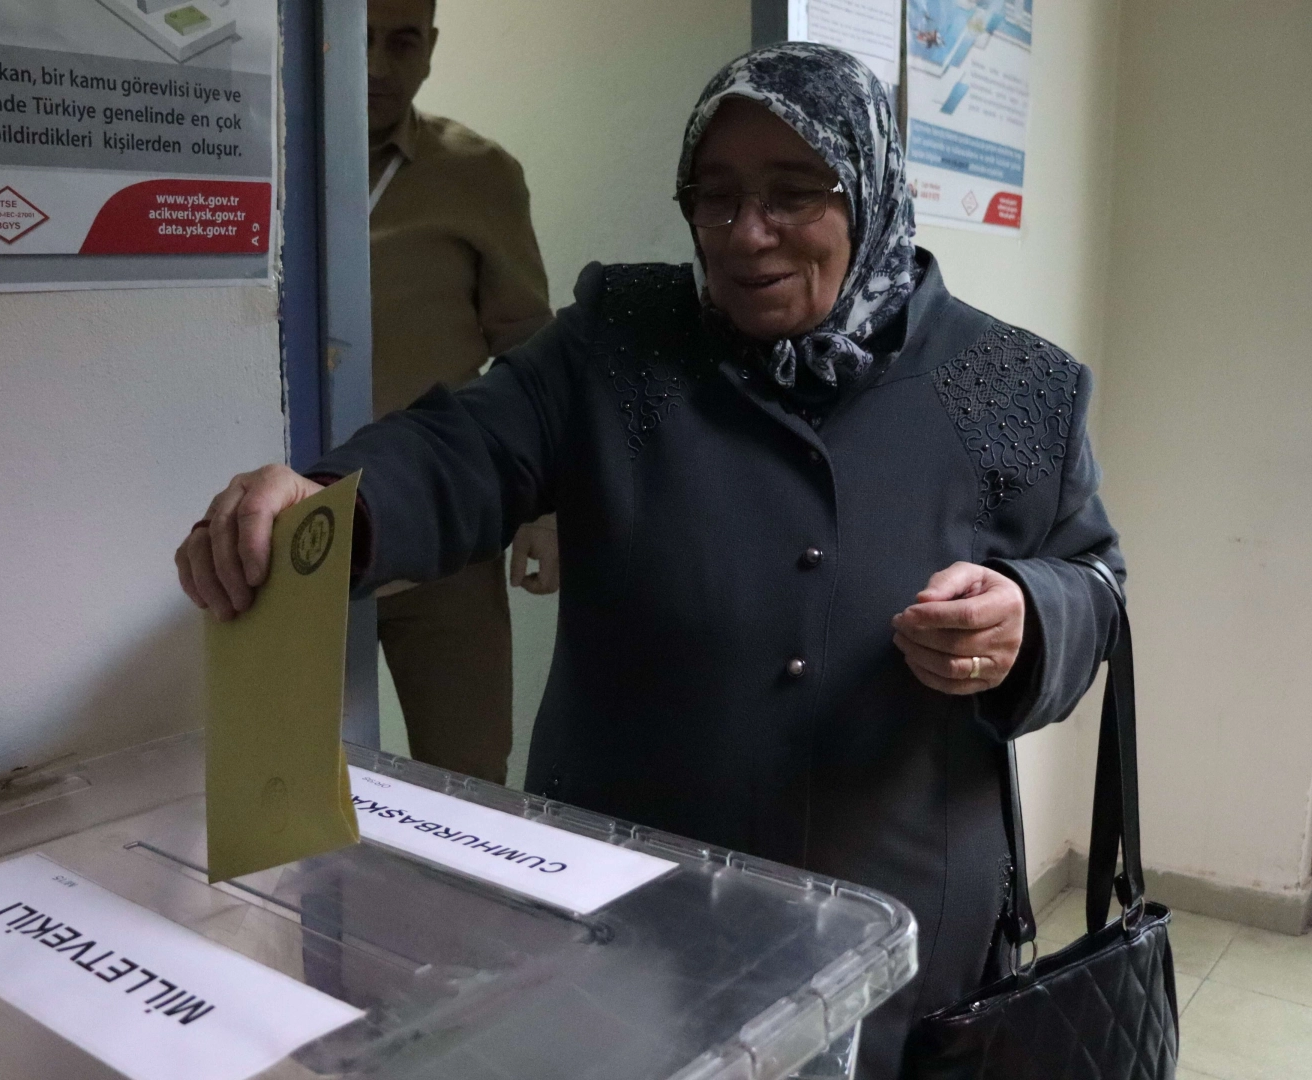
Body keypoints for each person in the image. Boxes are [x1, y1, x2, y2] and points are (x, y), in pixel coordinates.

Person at [177, 43, 1123, 1077]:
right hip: (630, 906)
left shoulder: (1015, 385)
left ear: (871, 188)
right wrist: (328, 509)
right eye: (715, 197)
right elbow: (465, 447)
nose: (747, 232)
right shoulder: (619, 343)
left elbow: (1094, 581)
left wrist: (1030, 617)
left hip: (898, 925)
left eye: (793, 193)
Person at [363, 0, 557, 784]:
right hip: (297, 529)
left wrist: (544, 509)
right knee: (290, 772)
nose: (377, 66)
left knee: (468, 771)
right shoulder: (264, 159)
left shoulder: (478, 174)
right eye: (358, 40)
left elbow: (532, 357)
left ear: (431, 47)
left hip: (444, 526)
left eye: (402, 41)